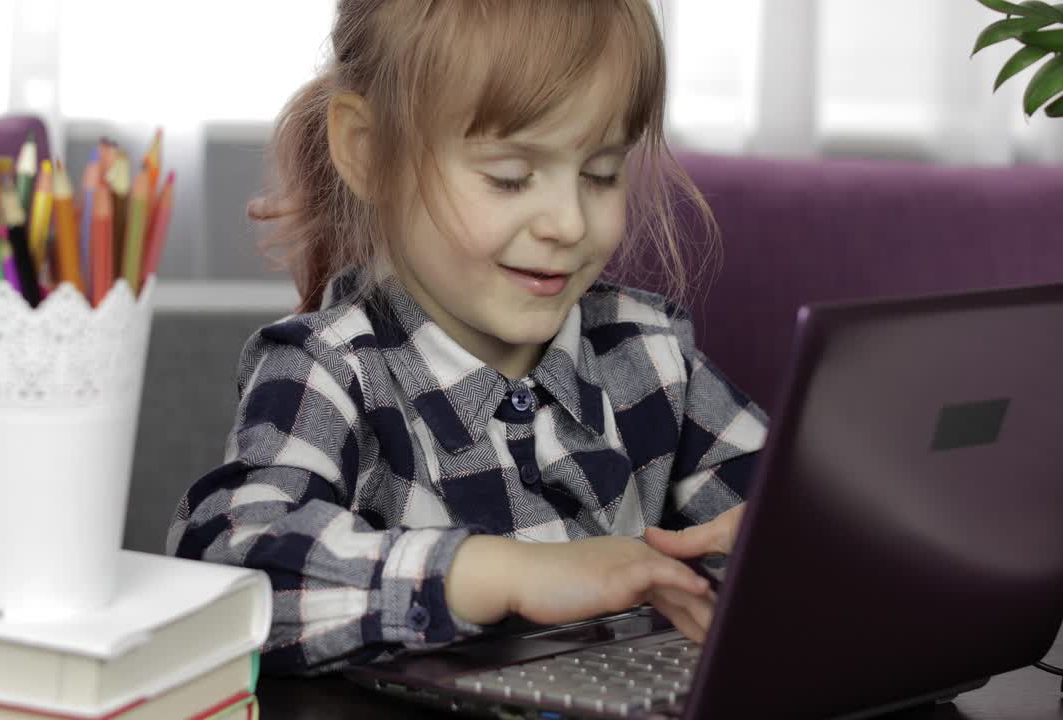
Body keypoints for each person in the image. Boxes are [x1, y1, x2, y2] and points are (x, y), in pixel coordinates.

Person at [168, 0, 768, 676]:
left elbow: (800, 510)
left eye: (600, 173)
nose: (568, 223)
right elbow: (230, 568)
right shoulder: (329, 373)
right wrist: (503, 574)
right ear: (369, 152)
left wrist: (793, 541)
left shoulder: (650, 354)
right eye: (510, 177)